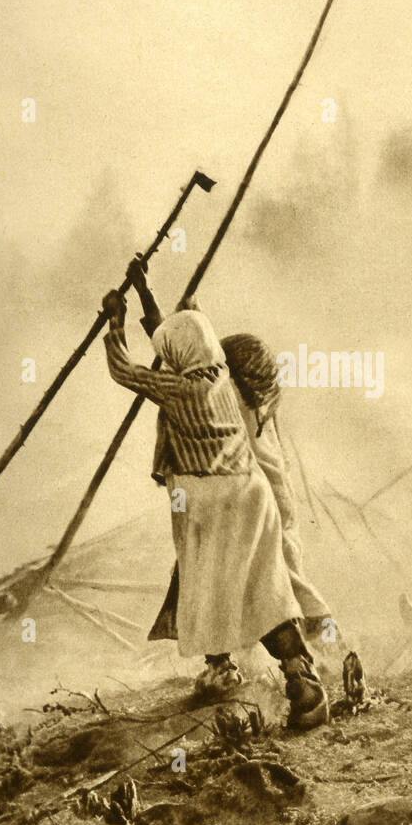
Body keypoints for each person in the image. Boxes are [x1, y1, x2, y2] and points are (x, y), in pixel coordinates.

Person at [101, 273, 329, 730]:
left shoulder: (180, 390)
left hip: (207, 502)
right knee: (261, 591)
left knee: (206, 588)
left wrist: (115, 322)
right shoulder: (221, 376)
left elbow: (126, 372)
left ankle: (222, 667)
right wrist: (148, 297)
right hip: (249, 496)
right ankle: (302, 680)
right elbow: (177, 342)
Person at [219, 332, 337, 643]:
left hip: (264, 499)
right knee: (289, 563)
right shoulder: (265, 399)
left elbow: (197, 364)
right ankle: (321, 639)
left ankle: (326, 632)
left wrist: (151, 308)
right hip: (281, 495)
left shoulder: (233, 401)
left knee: (283, 576)